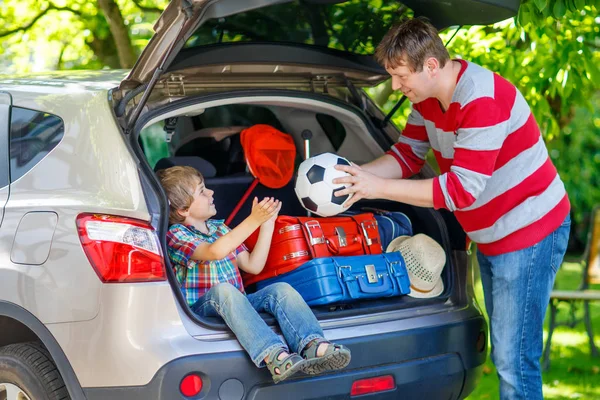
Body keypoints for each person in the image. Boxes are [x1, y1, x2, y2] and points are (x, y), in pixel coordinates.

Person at [333, 18, 570, 400]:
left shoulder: (482, 100)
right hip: (492, 235)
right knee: (506, 350)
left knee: (513, 359)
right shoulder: (426, 100)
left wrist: (379, 187)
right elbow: (407, 155)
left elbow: (461, 191)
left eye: (400, 76)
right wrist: (357, 178)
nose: (395, 86)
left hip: (530, 230)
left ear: (430, 66)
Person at [158, 166, 351, 384]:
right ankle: (274, 355)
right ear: (183, 210)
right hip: (204, 307)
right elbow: (214, 252)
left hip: (238, 302)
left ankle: (312, 345)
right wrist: (253, 220)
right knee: (224, 291)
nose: (211, 193)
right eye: (202, 191)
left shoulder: (221, 230)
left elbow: (253, 265)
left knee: (281, 290)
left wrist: (266, 225)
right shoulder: (176, 235)